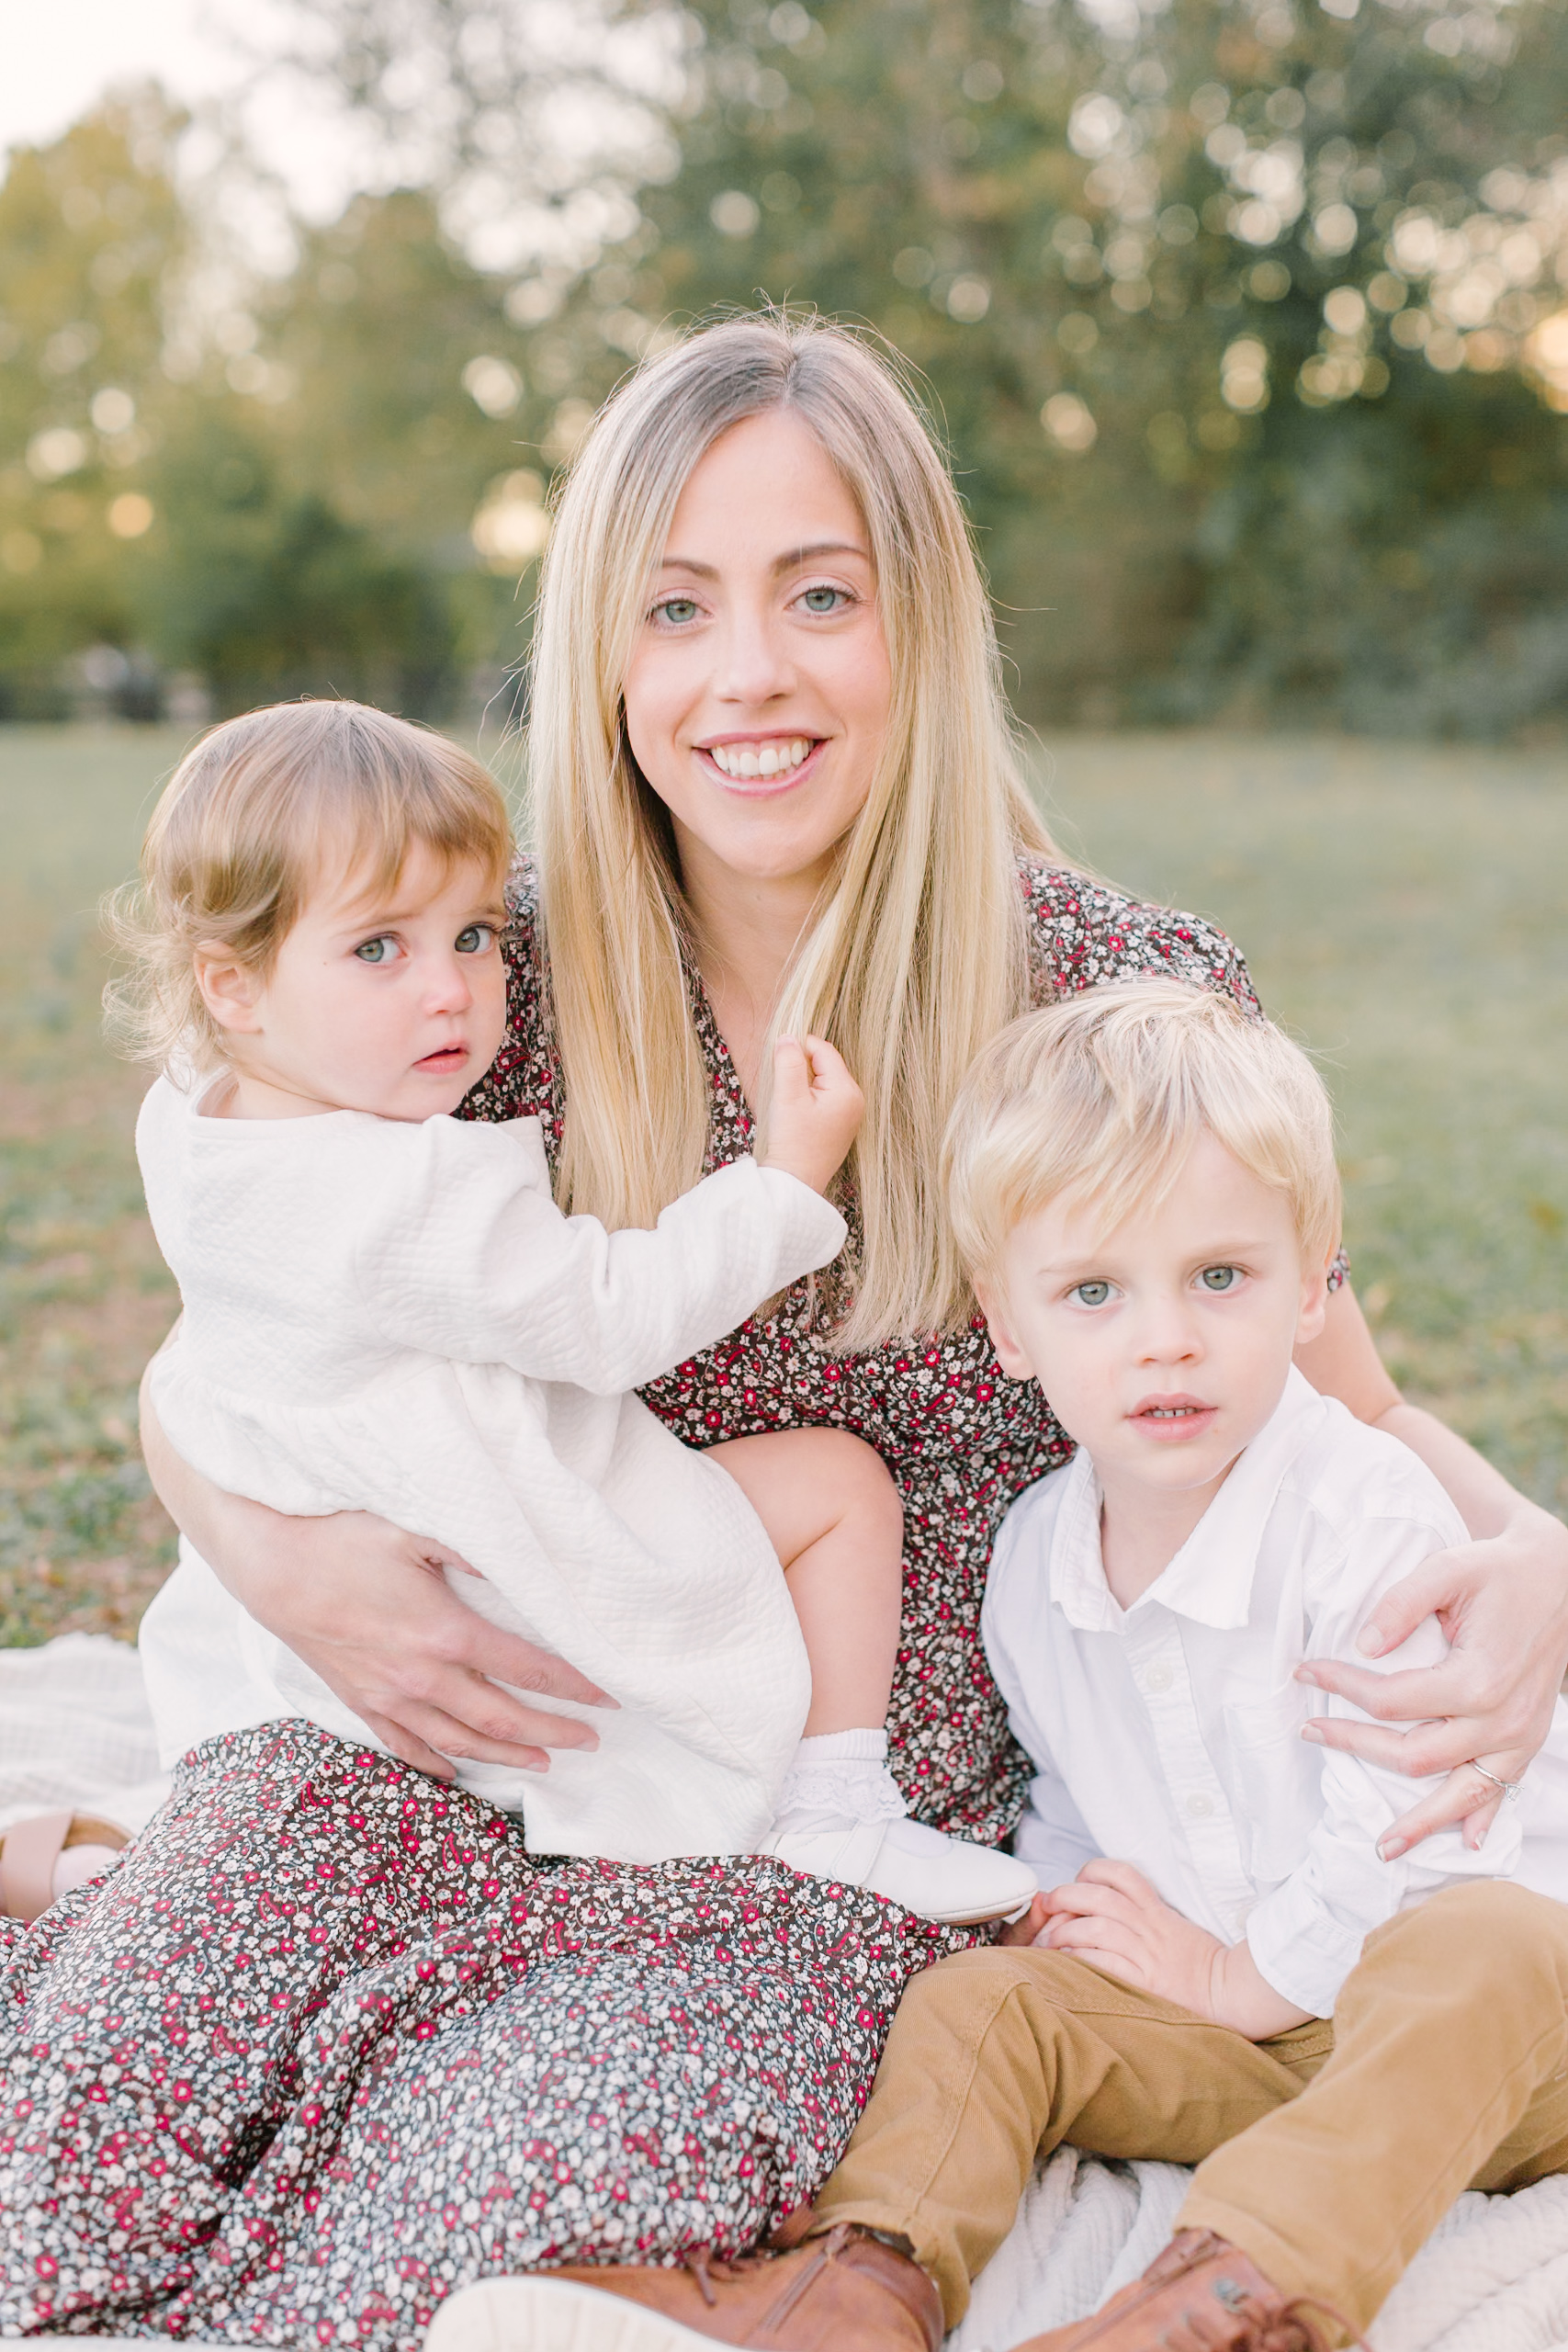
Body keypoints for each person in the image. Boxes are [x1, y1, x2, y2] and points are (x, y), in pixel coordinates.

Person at [2, 315, 1564, 2349]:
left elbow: (1336, 1390)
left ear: (914, 623)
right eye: (677, 606)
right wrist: (270, 1540)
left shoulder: (1105, 998)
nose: (746, 673)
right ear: (605, 654)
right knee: (153, 2018)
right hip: (480, 1737)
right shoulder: (482, 982)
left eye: (816, 594)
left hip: (809, 1838)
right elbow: (247, 1316)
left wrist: (1532, 1546)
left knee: (499, 2173)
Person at [453, 981, 1568, 2352]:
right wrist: (1061, 1912)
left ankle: (1228, 2306)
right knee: (991, 2003)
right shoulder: (1039, 1561)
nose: (1167, 1336)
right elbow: (1083, 1806)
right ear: (1011, 1323)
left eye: (1221, 1277)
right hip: (1250, 2043)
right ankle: (861, 2287)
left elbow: (1421, 1839)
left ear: (1313, 1275)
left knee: (1490, 1942)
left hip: (1492, 2043)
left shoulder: (1364, 1516)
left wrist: (1237, 1980)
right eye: (1094, 1292)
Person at [123, 696, 1029, 1922]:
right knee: (837, 1488)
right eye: (379, 950)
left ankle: (68, 1858)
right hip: (492, 1562)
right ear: (233, 984)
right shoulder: (405, 1194)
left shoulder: (195, 1122)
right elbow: (610, 1317)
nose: (450, 991)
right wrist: (781, 1184)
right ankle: (832, 1814)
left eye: (474, 935)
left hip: (325, 1571)